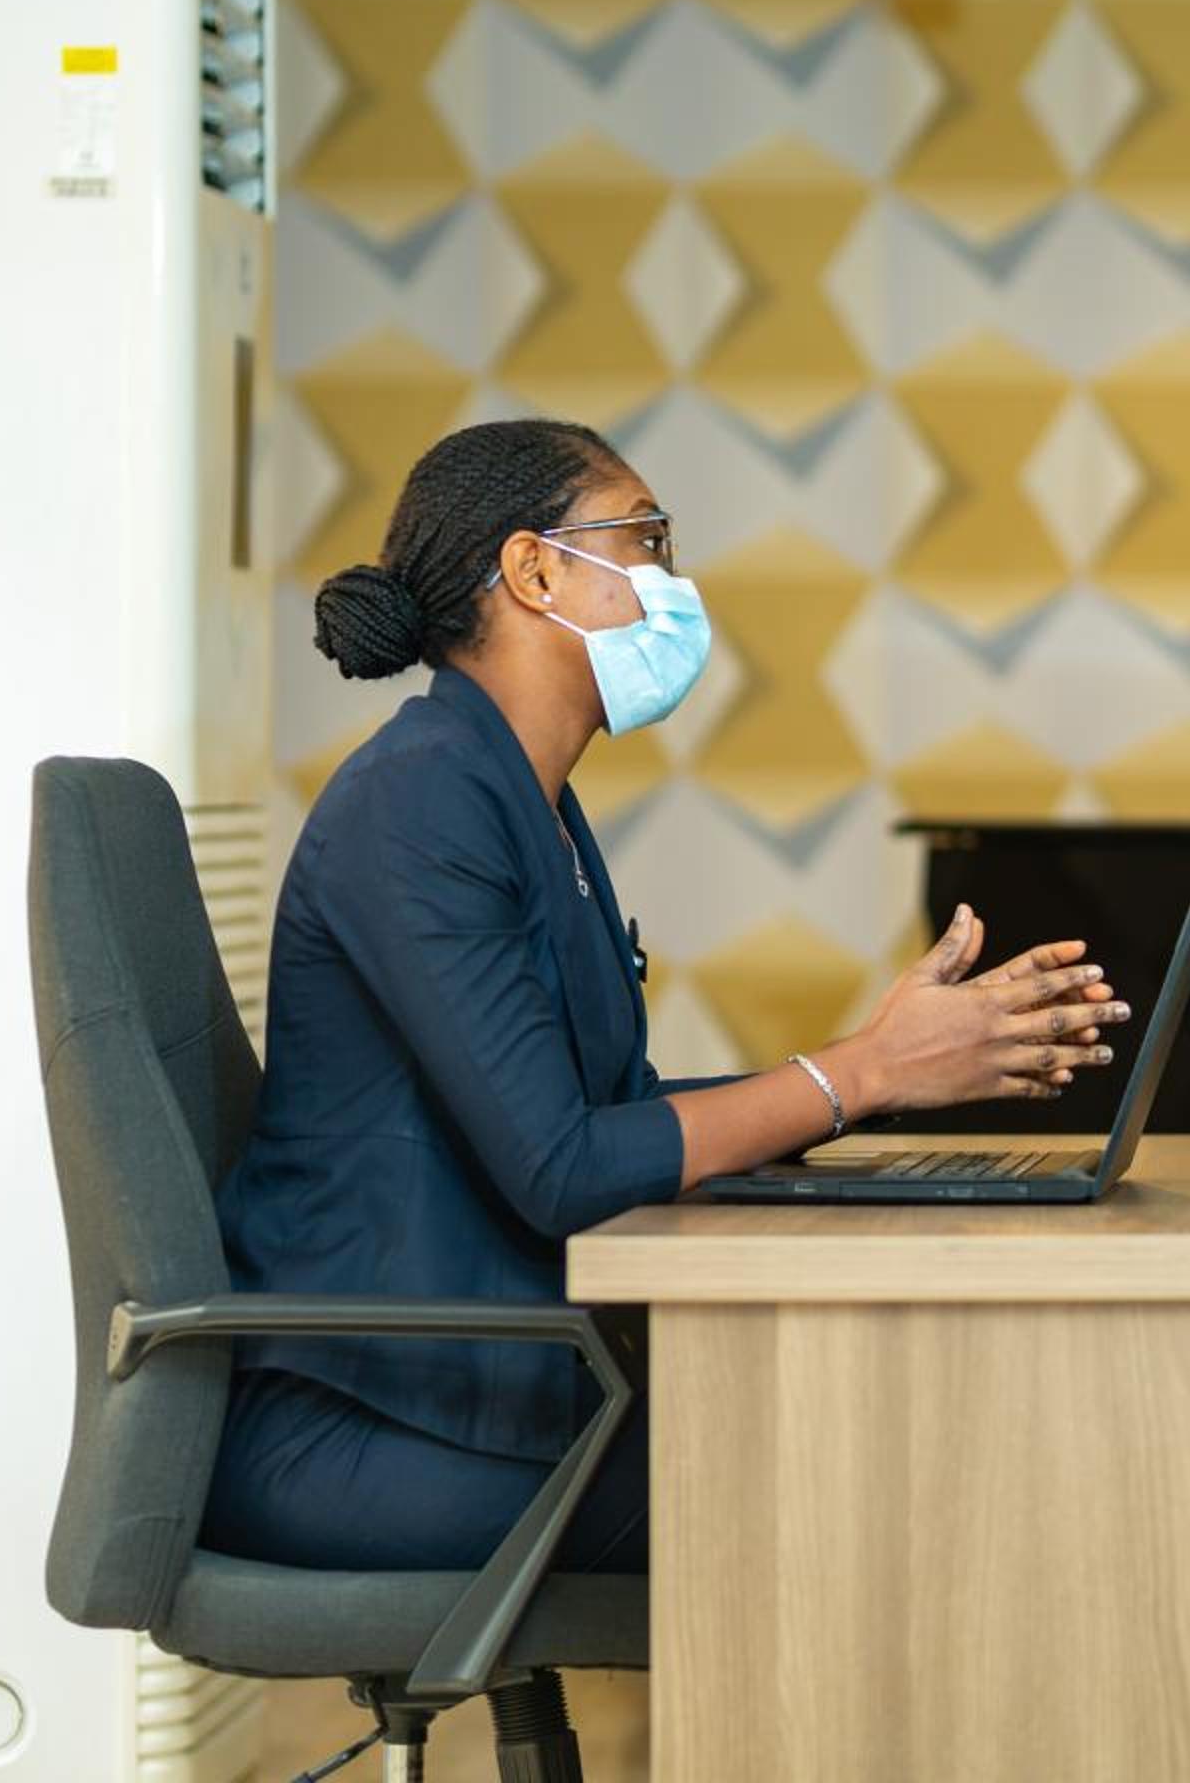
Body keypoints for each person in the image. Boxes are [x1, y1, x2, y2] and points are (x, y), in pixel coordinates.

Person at [205, 419, 1132, 1575]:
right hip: (358, 1421)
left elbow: (610, 1111)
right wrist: (861, 1073)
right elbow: (562, 1166)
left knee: (883, 1441)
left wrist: (892, 1071)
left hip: (467, 1387)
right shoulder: (421, 798)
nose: (672, 580)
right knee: (859, 1484)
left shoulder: (524, 799)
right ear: (534, 570)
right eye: (646, 538)